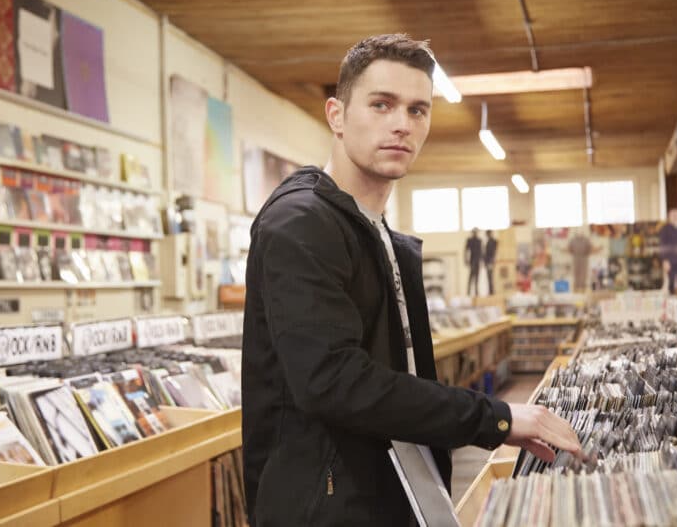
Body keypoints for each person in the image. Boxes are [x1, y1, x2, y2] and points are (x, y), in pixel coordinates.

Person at [242, 34, 581, 526]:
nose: (402, 124)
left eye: (418, 110)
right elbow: (333, 381)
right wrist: (496, 418)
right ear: (336, 115)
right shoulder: (300, 225)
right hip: (324, 508)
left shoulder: (378, 234)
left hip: (382, 493)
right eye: (382, 105)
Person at [465, 228, 483, 296]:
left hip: (477, 261)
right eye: (474, 232)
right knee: (471, 277)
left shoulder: (479, 241)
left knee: (477, 278)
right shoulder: (469, 240)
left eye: (476, 232)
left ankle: (476, 291)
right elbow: (466, 250)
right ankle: (468, 292)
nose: (475, 233)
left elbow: (481, 252)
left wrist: (482, 261)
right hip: (472, 261)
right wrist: (466, 260)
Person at [484, 229, 498, 295]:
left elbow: (493, 253)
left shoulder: (493, 241)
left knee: (491, 277)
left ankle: (492, 291)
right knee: (489, 277)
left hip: (490, 261)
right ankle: (490, 291)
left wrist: (491, 261)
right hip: (488, 262)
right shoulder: (488, 242)